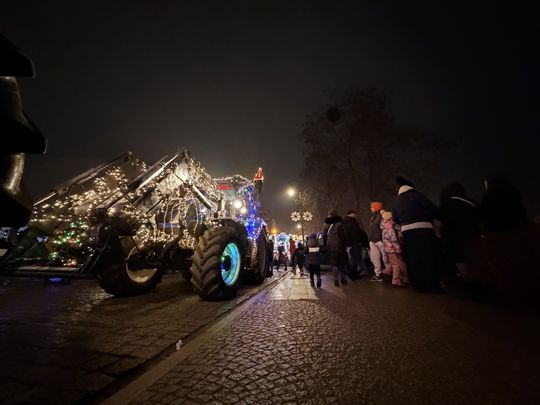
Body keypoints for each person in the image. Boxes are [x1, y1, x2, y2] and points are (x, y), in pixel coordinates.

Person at [392, 176, 443, 293]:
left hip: (407, 231)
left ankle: (419, 285)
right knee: (428, 257)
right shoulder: (418, 195)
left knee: (414, 258)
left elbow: (396, 219)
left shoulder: (396, 201)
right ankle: (434, 285)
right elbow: (434, 210)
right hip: (424, 229)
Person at [439, 182, 481, 279]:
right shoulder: (472, 203)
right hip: (472, 239)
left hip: (452, 242)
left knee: (456, 264)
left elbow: (442, 220)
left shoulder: (446, 205)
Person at [380, 210, 408, 287]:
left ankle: (386, 273)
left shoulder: (384, 225)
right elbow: (393, 238)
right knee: (396, 264)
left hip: (389, 248)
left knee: (395, 263)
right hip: (394, 247)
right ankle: (396, 281)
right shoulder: (390, 225)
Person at [322, 209, 348, 286]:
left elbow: (324, 235)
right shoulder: (341, 222)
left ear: (329, 214)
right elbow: (345, 234)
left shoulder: (326, 223)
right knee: (342, 262)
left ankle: (336, 279)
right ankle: (343, 277)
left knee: (334, 263)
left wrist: (325, 244)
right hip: (341, 245)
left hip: (331, 246)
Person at [343, 210, 369, 279]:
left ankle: (354, 274)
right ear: (351, 214)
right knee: (356, 259)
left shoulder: (346, 221)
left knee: (354, 259)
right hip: (354, 243)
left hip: (352, 243)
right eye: (355, 214)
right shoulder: (352, 222)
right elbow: (354, 233)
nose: (356, 216)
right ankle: (354, 274)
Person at [368, 201, 388, 282]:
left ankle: (389, 273)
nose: (371, 208)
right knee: (375, 258)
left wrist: (382, 239)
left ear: (377, 207)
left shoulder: (382, 216)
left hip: (380, 240)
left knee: (386, 258)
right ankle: (378, 274)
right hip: (373, 241)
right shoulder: (372, 218)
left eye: (372, 207)